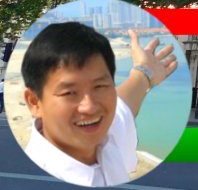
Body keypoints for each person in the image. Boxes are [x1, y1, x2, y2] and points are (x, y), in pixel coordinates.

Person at [21, 23, 178, 187]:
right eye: (69, 93)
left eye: (100, 87)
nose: (89, 107)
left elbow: (124, 105)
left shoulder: (105, 137)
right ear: (34, 102)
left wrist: (145, 71)